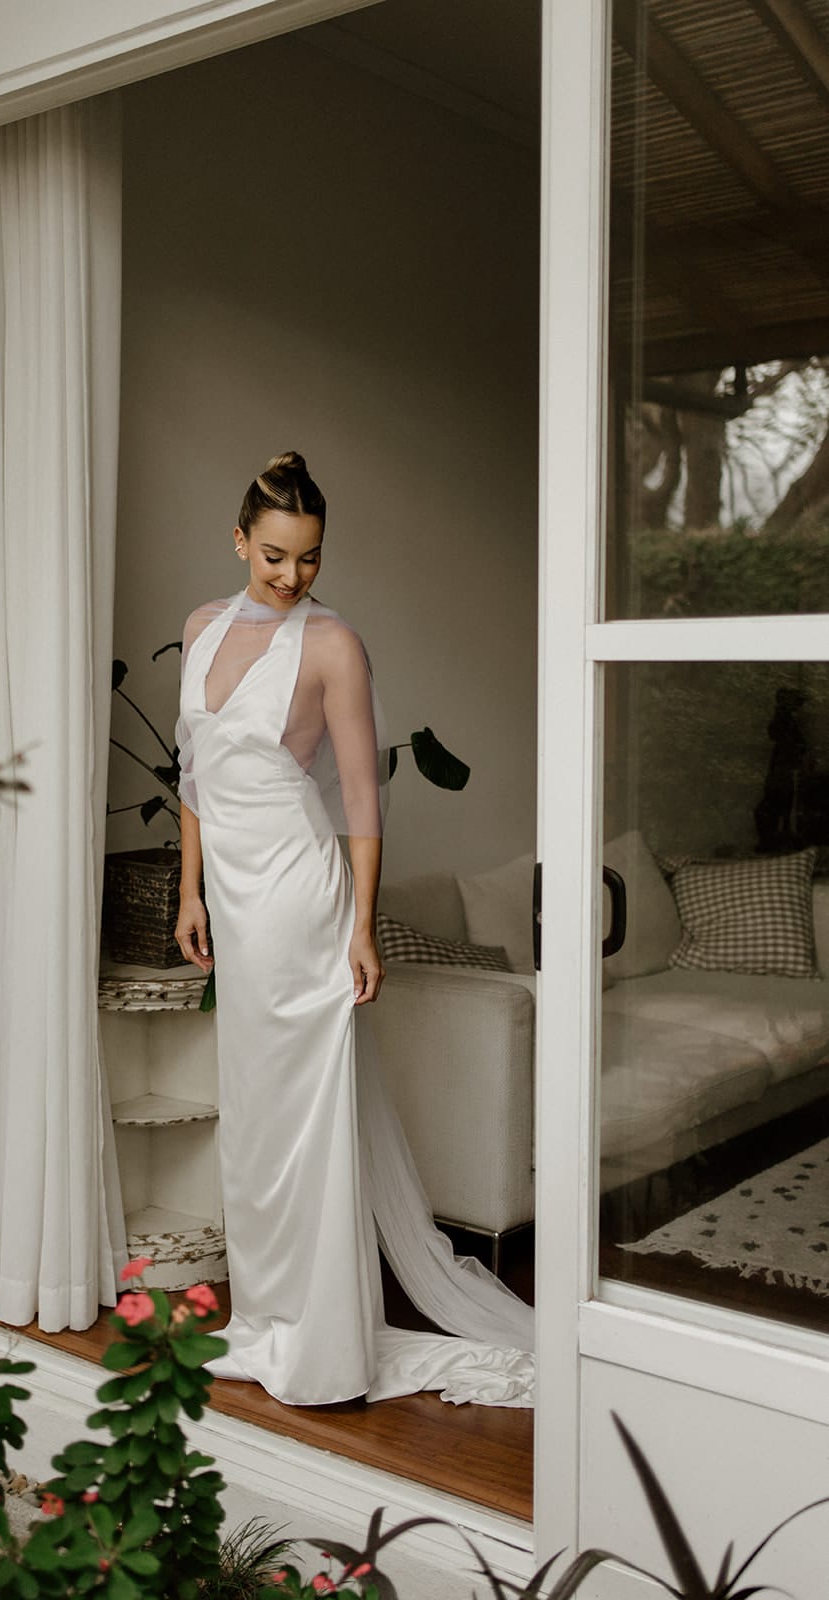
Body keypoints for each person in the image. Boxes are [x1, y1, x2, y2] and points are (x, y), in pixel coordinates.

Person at [173, 452, 534, 1408]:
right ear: (239, 541)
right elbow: (195, 778)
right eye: (274, 557)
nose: (292, 576)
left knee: (305, 1118)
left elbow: (363, 802)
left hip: (299, 897)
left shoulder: (333, 645)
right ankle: (264, 1321)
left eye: (311, 558)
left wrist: (362, 926)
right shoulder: (201, 629)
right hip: (233, 901)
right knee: (254, 1118)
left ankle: (321, 1340)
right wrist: (189, 891)